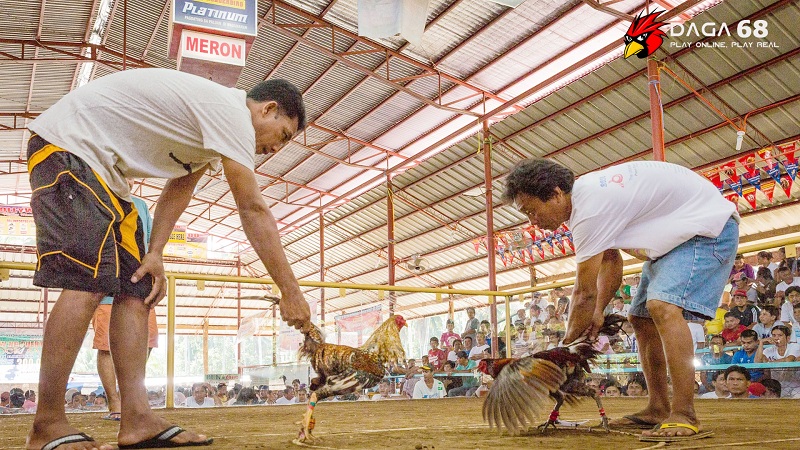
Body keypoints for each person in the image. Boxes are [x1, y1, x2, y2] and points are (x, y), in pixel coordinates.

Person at [25, 68, 310, 449]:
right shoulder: (231, 113)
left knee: (137, 287)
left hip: (106, 176)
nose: (277, 149)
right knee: (86, 283)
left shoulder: (212, 131)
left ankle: (137, 418)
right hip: (69, 149)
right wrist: (290, 291)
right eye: (283, 136)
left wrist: (156, 251)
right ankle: (47, 423)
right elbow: (252, 210)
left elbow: (180, 186)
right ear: (268, 109)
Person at [504, 159, 738, 440]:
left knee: (661, 306)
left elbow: (583, 293)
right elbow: (610, 261)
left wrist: (565, 349)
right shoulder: (587, 200)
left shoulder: (589, 209)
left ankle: (684, 413)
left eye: (531, 210)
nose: (533, 221)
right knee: (640, 318)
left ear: (555, 194)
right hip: (676, 241)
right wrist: (599, 311)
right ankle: (658, 408)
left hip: (707, 231)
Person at [92, 183, 158, 422]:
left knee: (147, 342)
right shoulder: (94, 194)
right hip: (105, 285)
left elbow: (150, 243)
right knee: (106, 347)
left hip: (138, 282)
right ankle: (115, 403)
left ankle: (131, 398)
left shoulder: (141, 205)